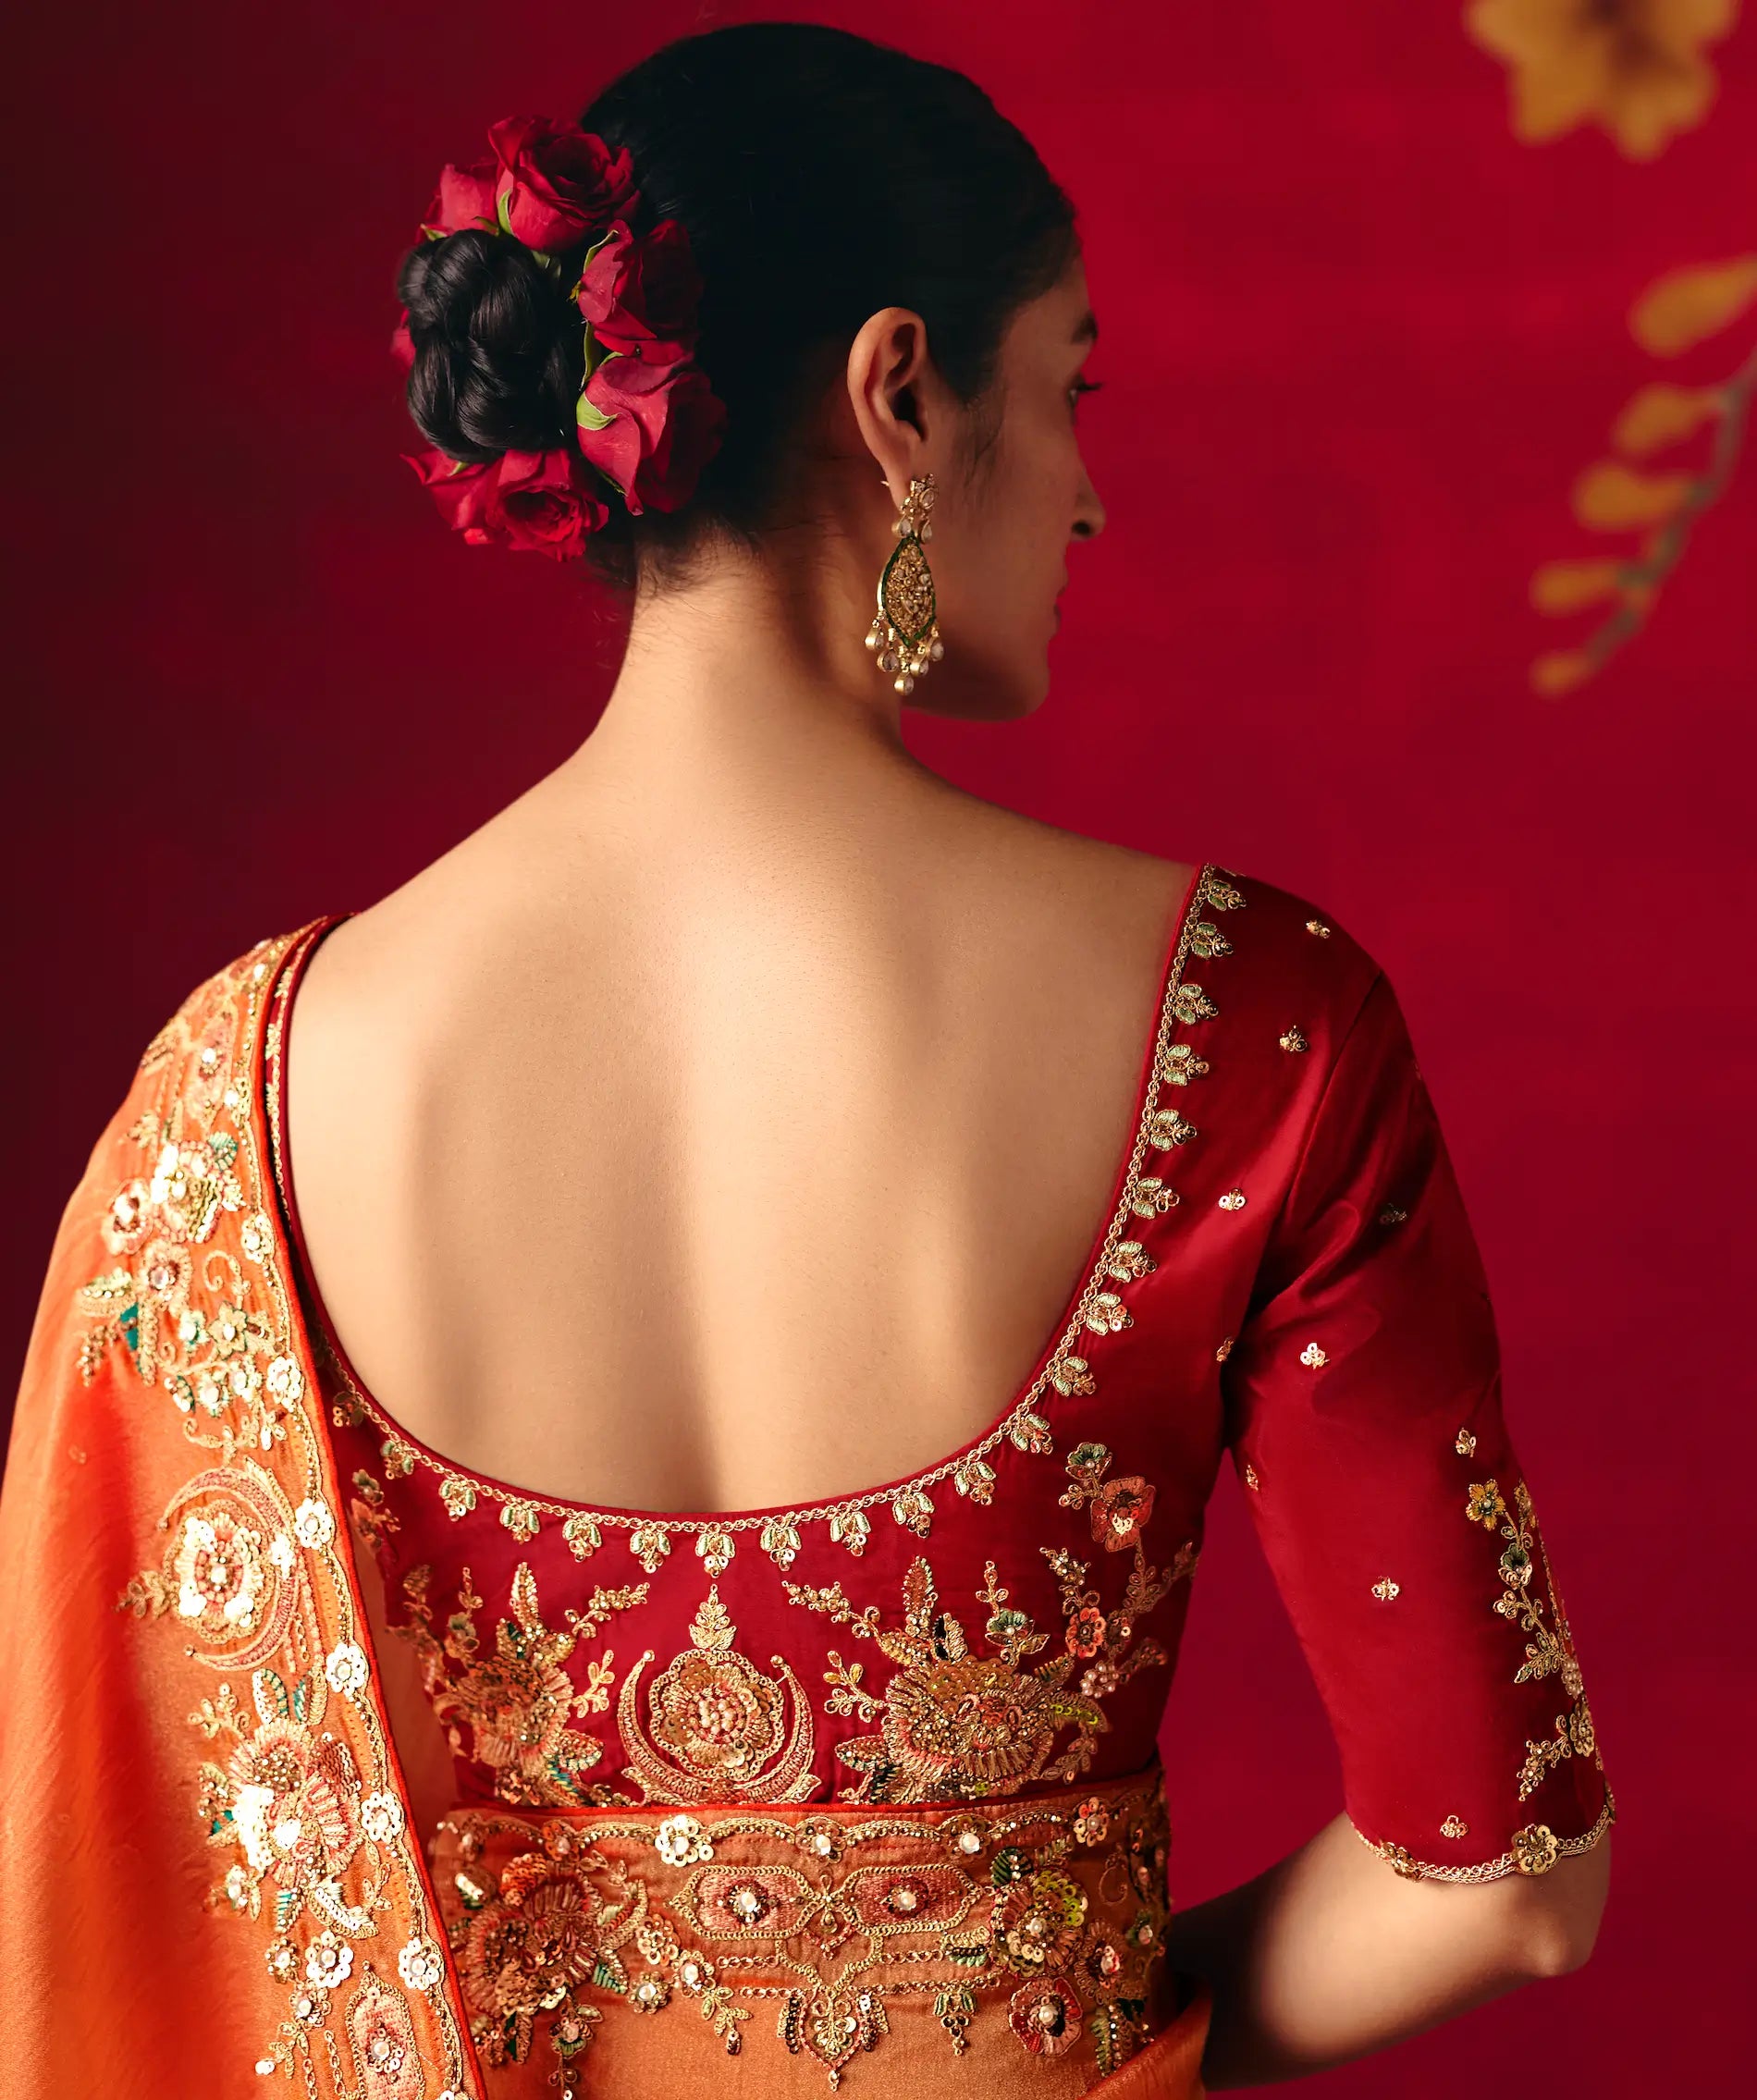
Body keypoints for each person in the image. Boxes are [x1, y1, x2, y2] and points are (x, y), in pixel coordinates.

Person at [0, 20, 1613, 2100]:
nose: (1093, 489)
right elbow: (1505, 1883)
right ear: (899, 391)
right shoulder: (1251, 1025)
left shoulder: (243, 1099)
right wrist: (1055, 2004)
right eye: (1067, 387)